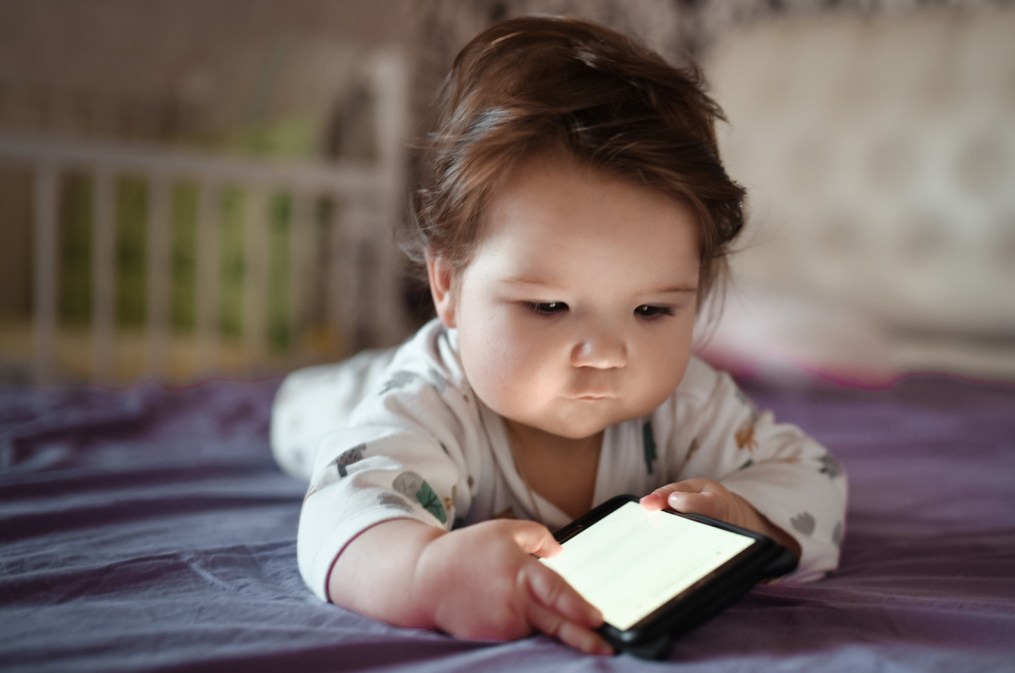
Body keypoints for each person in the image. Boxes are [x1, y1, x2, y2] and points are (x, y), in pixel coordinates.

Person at [270, 15, 847, 656]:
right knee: (334, 418)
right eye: (548, 306)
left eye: (651, 310)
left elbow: (813, 476)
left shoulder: (691, 403)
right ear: (448, 286)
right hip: (358, 396)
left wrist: (747, 515)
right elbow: (346, 509)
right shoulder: (430, 402)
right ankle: (314, 390)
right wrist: (425, 572)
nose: (605, 354)